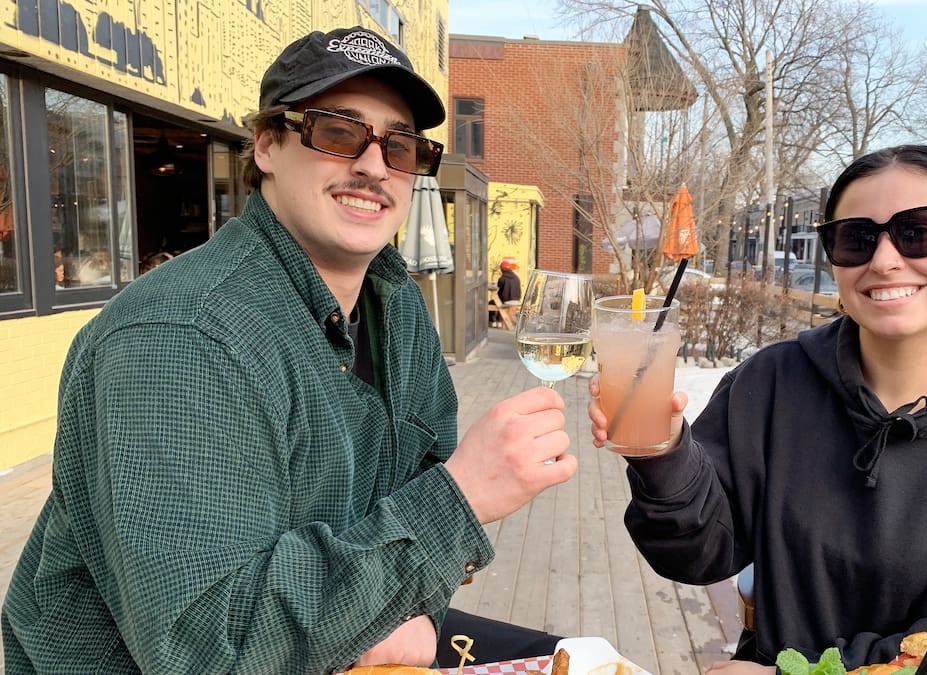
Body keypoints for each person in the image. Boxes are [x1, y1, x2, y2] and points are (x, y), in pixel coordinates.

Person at [3, 26, 576, 673]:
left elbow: (417, 549)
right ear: (268, 143)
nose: (372, 164)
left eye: (401, 145)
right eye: (336, 131)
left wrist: (404, 614)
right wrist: (462, 498)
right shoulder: (180, 339)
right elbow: (209, 649)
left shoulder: (400, 307)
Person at [588, 145, 927, 673]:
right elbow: (698, 555)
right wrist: (664, 454)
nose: (884, 259)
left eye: (917, 231)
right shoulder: (772, 385)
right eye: (857, 238)